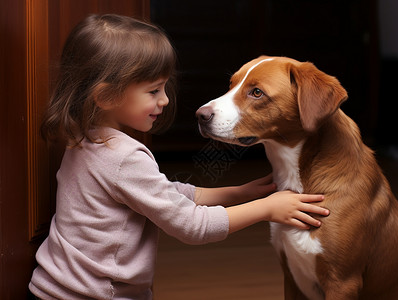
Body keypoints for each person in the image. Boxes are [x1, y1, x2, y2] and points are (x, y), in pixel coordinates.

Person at [29, 14, 329, 300]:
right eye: (154, 90)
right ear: (106, 96)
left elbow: (165, 193)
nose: (165, 99)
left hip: (55, 288)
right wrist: (266, 208)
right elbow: (191, 225)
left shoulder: (85, 140)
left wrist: (239, 192)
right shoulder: (123, 157)